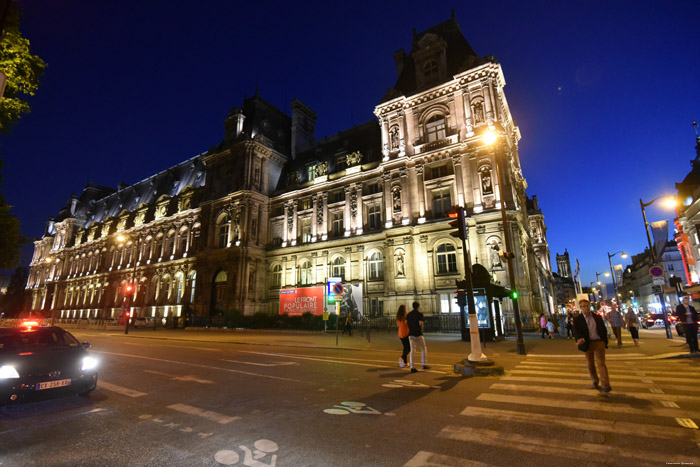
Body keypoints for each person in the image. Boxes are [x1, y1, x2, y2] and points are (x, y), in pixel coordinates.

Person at [573, 299, 611, 392]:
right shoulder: (578, 319)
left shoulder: (597, 317)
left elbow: (603, 329)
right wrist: (579, 339)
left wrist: (604, 341)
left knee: (601, 363)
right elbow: (576, 331)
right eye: (584, 306)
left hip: (598, 342)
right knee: (590, 363)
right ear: (581, 308)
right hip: (587, 343)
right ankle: (594, 380)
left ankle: (606, 385)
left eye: (587, 305)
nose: (586, 308)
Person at [407, 301, 429, 373]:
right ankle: (424, 364)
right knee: (423, 348)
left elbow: (406, 323)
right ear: (418, 307)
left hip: (411, 334)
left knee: (412, 350)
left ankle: (412, 367)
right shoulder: (420, 314)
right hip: (418, 334)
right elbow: (420, 324)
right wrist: (421, 332)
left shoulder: (409, 314)